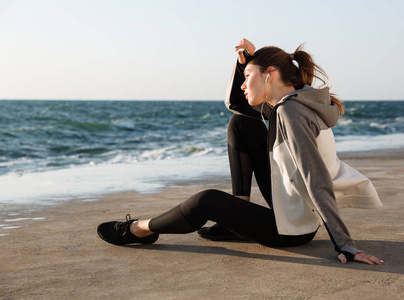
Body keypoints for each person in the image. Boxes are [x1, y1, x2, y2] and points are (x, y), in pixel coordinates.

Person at [97, 39, 384, 265]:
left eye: (248, 77)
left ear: (270, 75)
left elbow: (316, 179)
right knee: (241, 123)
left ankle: (139, 229)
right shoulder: (296, 101)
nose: (244, 84)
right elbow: (236, 103)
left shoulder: (291, 113)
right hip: (294, 205)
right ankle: (234, 224)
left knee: (205, 201)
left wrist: (344, 243)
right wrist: (243, 62)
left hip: (292, 229)